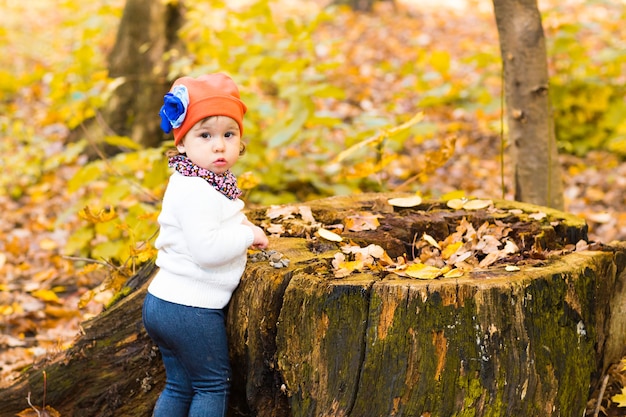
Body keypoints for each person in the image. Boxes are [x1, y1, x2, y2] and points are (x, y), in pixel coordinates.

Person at [142, 73, 269, 417]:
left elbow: (211, 222)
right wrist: (248, 235)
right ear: (182, 142)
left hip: (165, 303)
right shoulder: (198, 190)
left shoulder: (197, 181)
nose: (219, 145)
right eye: (205, 135)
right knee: (211, 386)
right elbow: (207, 250)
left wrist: (237, 223)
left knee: (180, 386)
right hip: (190, 309)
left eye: (229, 134)